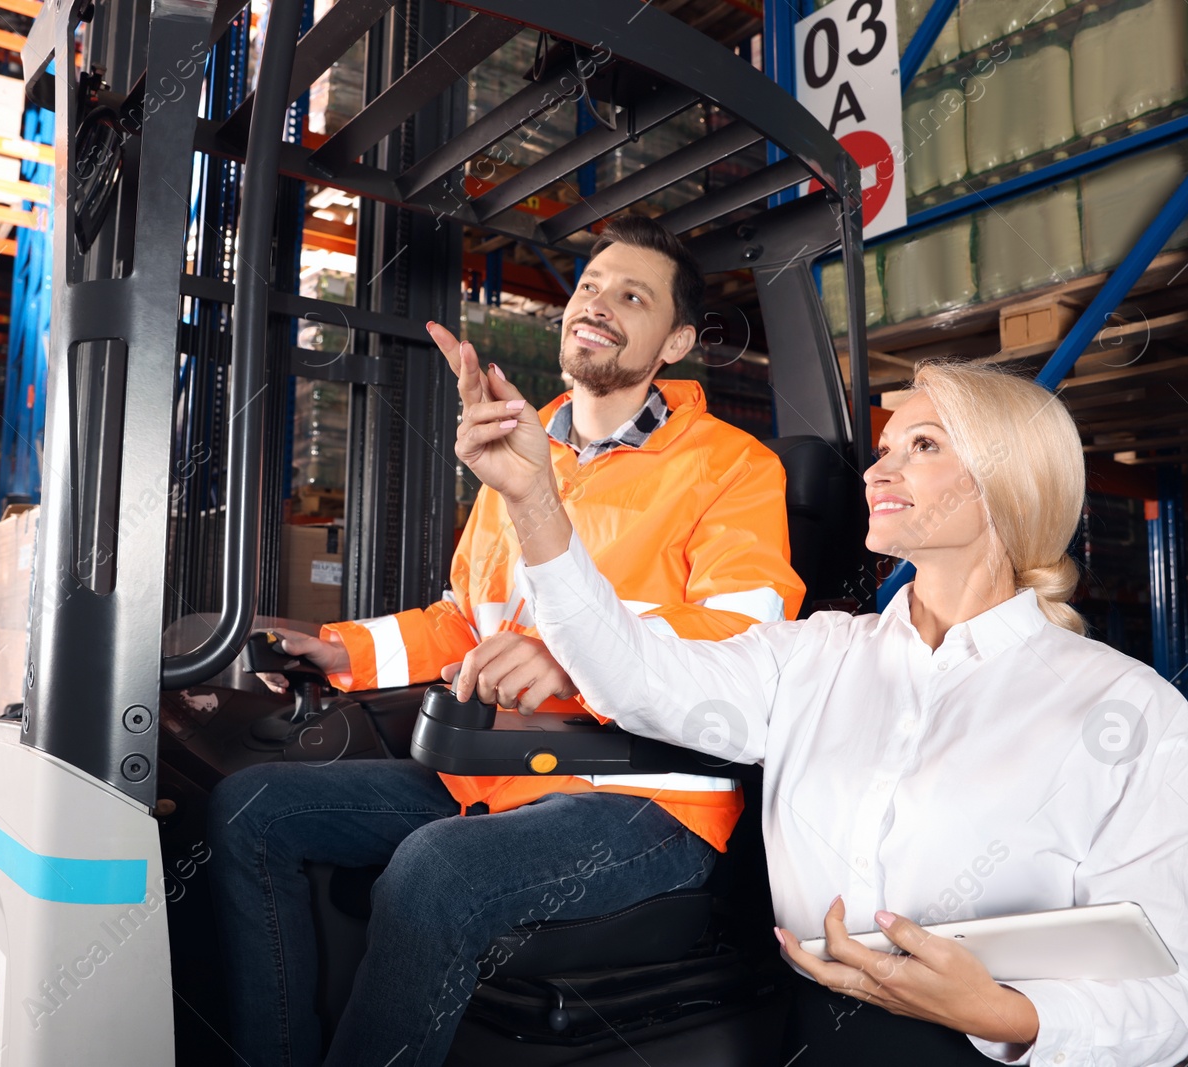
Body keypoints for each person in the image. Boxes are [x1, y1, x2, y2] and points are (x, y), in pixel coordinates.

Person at [451, 352, 1188, 1065]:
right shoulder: (812, 656)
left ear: (1006, 480)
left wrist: (1006, 1011)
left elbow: (1170, 998)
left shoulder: (1130, 712)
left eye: (923, 445)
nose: (881, 466)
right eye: (886, 446)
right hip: (811, 1036)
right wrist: (535, 498)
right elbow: (631, 673)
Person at [207, 215, 806, 1067]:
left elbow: (742, 636)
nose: (598, 303)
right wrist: (344, 650)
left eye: (632, 296)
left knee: (436, 870)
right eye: (590, 285)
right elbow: (468, 618)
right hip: (503, 773)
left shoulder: (731, 467)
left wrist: (574, 657)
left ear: (673, 342)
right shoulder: (526, 450)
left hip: (648, 797)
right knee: (252, 808)